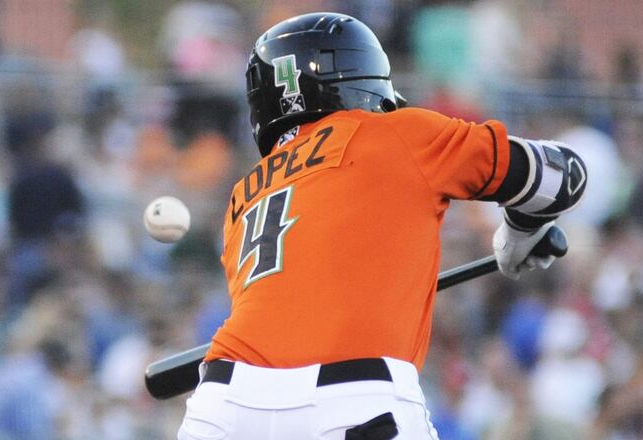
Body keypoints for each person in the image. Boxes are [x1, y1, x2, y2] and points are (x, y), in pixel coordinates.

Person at [177, 12, 587, 440]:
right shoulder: (396, 134)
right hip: (354, 398)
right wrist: (520, 232)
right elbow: (564, 176)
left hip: (223, 404)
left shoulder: (243, 195)